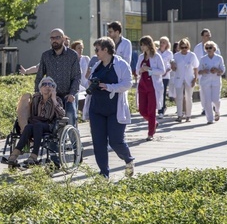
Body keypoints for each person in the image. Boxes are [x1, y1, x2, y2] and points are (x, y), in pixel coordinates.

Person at [87, 36, 135, 178]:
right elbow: (88, 82)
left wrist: (108, 86)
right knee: (98, 142)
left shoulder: (121, 65)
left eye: (97, 49)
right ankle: (104, 173)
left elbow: (128, 84)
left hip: (115, 109)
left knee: (116, 141)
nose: (96, 52)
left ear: (106, 49)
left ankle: (128, 160)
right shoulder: (97, 65)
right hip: (97, 109)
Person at [7, 77, 65, 167]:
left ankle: (34, 155)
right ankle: (14, 155)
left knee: (37, 125)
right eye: (44, 84)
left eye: (50, 85)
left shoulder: (57, 99)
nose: (47, 86)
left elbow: (61, 114)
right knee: (29, 127)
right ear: (40, 88)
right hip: (35, 124)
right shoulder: (36, 98)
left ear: (54, 88)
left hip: (49, 125)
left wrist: (53, 99)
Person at [33, 28, 81, 128]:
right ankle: (53, 143)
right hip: (50, 95)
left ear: (63, 39)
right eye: (52, 38)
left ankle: (75, 143)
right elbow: (39, 76)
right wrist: (38, 92)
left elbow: (76, 77)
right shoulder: (46, 56)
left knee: (70, 116)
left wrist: (72, 94)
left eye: (57, 37)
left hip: (67, 95)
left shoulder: (72, 55)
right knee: (50, 122)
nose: (54, 40)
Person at [135, 36, 165, 141]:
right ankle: (154, 123)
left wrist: (150, 69)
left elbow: (162, 70)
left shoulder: (156, 56)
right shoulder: (140, 57)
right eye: (141, 45)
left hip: (153, 86)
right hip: (142, 86)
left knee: (151, 111)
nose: (142, 47)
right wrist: (141, 70)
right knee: (142, 110)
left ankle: (150, 133)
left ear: (149, 44)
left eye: (144, 44)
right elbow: (137, 70)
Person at [193, 29, 221, 116]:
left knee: (214, 93)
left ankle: (214, 107)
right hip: (202, 73)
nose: (208, 37)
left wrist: (217, 70)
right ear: (202, 36)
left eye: (209, 35)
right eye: (206, 35)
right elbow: (195, 61)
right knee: (203, 92)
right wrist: (196, 75)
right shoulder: (197, 48)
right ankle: (205, 108)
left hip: (213, 74)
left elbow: (219, 58)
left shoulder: (214, 46)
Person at [171, 38, 199, 123]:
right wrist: (172, 65)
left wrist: (195, 79)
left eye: (185, 47)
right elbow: (174, 69)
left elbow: (196, 67)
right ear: (179, 47)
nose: (184, 49)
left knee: (188, 97)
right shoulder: (176, 56)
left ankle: (188, 115)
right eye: (182, 47)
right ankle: (179, 115)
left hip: (189, 78)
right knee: (179, 97)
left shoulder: (192, 55)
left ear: (188, 47)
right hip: (179, 78)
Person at [198, 40, 225, 124]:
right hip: (205, 82)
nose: (208, 49)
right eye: (206, 48)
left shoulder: (219, 58)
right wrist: (203, 71)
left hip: (215, 81)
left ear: (214, 48)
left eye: (210, 48)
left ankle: (217, 111)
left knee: (216, 100)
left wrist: (217, 70)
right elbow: (199, 71)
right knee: (207, 101)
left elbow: (223, 70)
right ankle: (210, 118)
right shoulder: (203, 59)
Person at [70, 39, 90, 114]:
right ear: (74, 49)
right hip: (77, 88)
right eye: (79, 48)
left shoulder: (86, 58)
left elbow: (90, 72)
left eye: (82, 48)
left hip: (86, 87)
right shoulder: (71, 60)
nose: (81, 50)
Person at [157, 36, 173, 118]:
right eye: (161, 42)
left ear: (167, 44)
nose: (162, 44)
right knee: (157, 92)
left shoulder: (169, 53)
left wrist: (166, 71)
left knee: (162, 92)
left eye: (164, 42)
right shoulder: (156, 52)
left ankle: (161, 110)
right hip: (157, 75)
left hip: (165, 76)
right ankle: (159, 107)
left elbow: (171, 65)